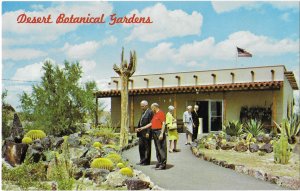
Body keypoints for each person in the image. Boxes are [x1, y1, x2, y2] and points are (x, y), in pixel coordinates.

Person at [135, 100, 153, 165]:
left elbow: (151, 123)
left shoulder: (150, 112)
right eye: (141, 106)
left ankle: (147, 161)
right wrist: (138, 128)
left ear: (146, 105)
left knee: (147, 147)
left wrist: (148, 132)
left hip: (146, 133)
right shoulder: (143, 112)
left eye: (142, 106)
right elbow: (141, 122)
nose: (141, 107)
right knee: (141, 147)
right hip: (141, 133)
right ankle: (142, 160)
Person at [151, 103, 167, 170]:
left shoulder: (161, 113)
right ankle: (159, 162)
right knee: (157, 148)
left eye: (152, 108)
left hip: (159, 131)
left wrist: (161, 133)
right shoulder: (155, 114)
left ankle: (163, 164)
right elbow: (151, 123)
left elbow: (163, 123)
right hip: (154, 132)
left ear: (155, 107)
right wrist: (142, 128)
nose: (151, 109)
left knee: (161, 148)